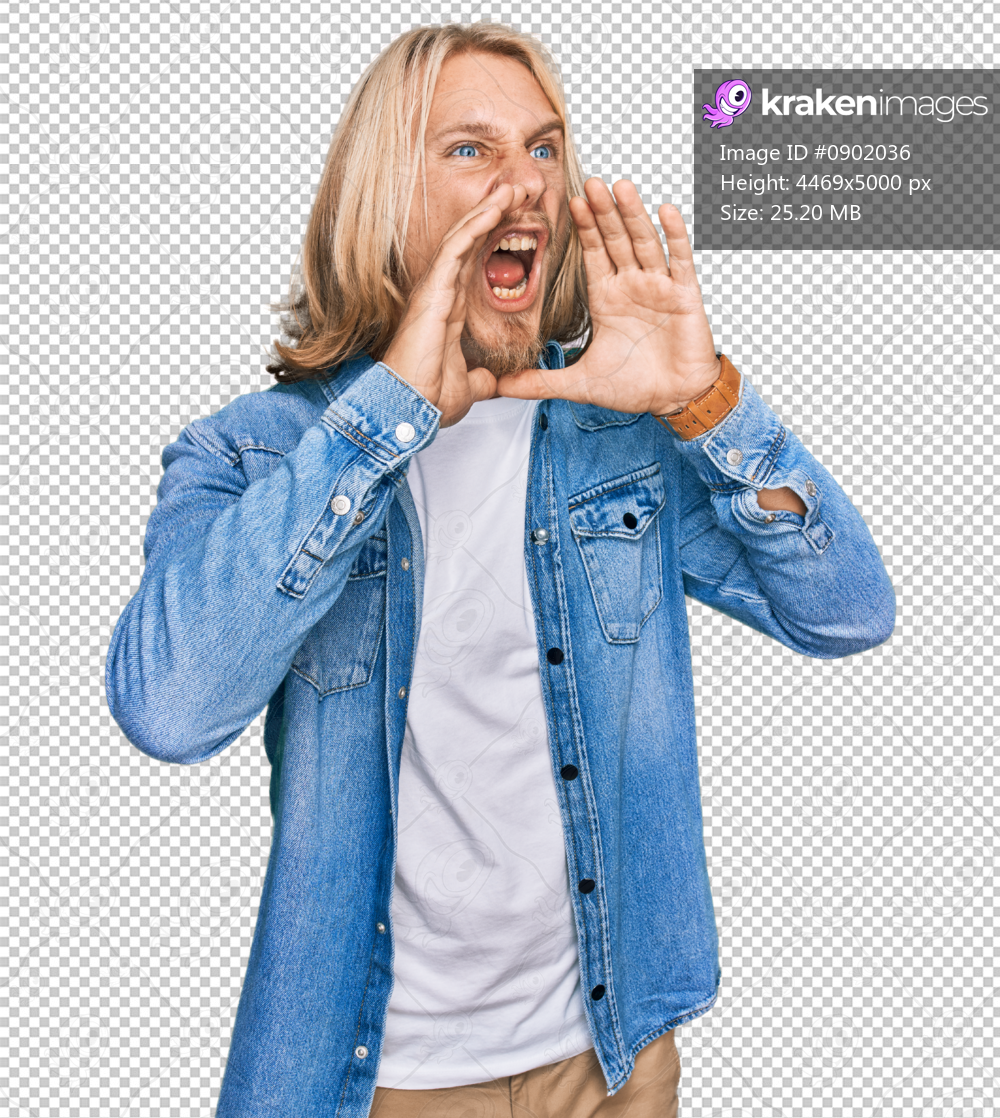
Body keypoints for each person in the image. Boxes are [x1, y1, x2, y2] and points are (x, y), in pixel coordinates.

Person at [105, 21, 896, 1118]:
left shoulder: (618, 439)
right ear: (387, 195)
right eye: (469, 151)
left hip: (614, 1054)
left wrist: (705, 400)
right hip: (380, 1076)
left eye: (542, 147)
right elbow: (169, 707)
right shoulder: (253, 455)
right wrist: (382, 418)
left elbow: (849, 611)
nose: (521, 184)